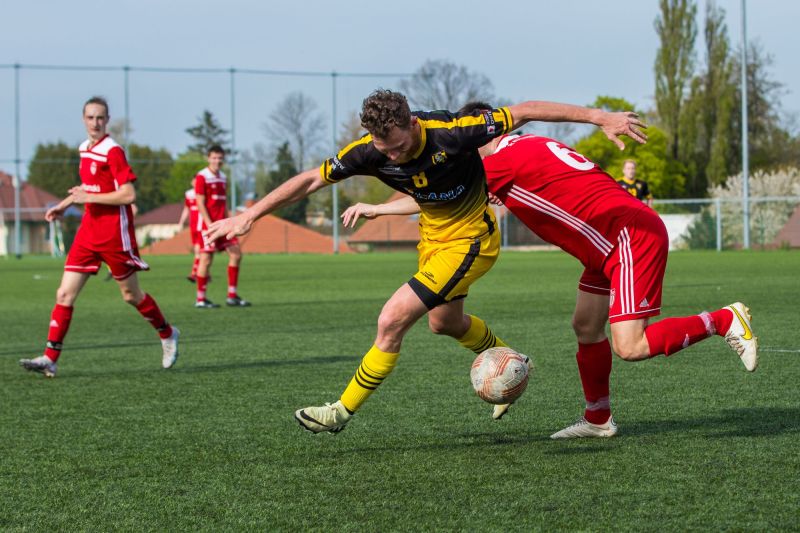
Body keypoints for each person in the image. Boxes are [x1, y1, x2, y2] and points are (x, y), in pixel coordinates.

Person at [205, 89, 646, 434]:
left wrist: (600, 117)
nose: (392, 156)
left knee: (392, 319)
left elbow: (527, 109)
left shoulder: (456, 131)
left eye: (398, 146)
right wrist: (249, 215)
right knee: (445, 323)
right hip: (432, 242)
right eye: (385, 150)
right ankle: (507, 359)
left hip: (470, 241)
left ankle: (340, 411)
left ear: (412, 124)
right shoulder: (369, 150)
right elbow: (308, 181)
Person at [344, 101, 758, 439]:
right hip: (606, 242)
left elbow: (435, 196)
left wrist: (379, 207)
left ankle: (723, 320)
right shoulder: (533, 145)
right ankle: (598, 419)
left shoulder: (496, 164)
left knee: (630, 346)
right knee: (585, 327)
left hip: (627, 237)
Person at [19, 96, 180, 377]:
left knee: (130, 295)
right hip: (88, 231)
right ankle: (50, 358)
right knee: (64, 293)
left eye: (100, 118)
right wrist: (64, 205)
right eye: (91, 117)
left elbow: (128, 194)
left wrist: (88, 196)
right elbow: (89, 185)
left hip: (114, 233)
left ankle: (167, 333)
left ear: (107, 120)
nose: (95, 122)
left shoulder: (113, 151)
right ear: (83, 119)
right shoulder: (84, 148)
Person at [193, 145, 250, 308]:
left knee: (236, 254)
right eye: (214, 157)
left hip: (224, 225)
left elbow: (223, 203)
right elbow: (200, 203)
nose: (217, 161)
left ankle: (232, 295)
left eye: (220, 158)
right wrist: (209, 224)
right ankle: (201, 299)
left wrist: (230, 220)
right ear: (208, 158)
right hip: (208, 226)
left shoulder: (223, 177)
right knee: (206, 259)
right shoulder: (201, 176)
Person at [178, 178, 202, 283]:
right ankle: (204, 273)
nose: (195, 182)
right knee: (198, 250)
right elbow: (186, 209)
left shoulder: (203, 192)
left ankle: (194, 273)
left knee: (199, 250)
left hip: (202, 224)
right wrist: (181, 222)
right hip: (193, 225)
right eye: (194, 180)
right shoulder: (189, 194)